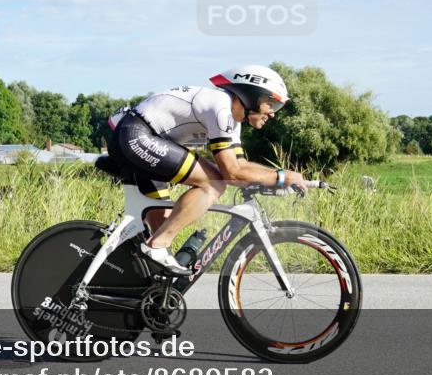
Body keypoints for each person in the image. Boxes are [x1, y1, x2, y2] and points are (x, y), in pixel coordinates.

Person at [106, 65, 306, 275]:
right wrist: (282, 176)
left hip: (138, 138)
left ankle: (151, 286)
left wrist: (275, 178)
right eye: (271, 103)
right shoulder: (221, 106)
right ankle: (155, 246)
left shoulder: (231, 119)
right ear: (252, 95)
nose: (273, 113)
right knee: (212, 183)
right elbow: (232, 172)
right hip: (137, 136)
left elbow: (241, 166)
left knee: (163, 227)